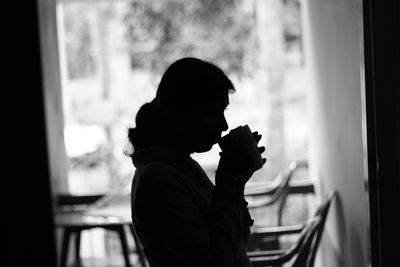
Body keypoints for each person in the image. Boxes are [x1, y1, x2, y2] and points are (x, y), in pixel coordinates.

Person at [126, 57, 266, 266]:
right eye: (213, 113)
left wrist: (238, 182)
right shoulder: (157, 179)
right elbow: (218, 261)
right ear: (180, 115)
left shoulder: (184, 166)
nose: (224, 125)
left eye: (223, 112)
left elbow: (238, 242)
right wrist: (227, 180)